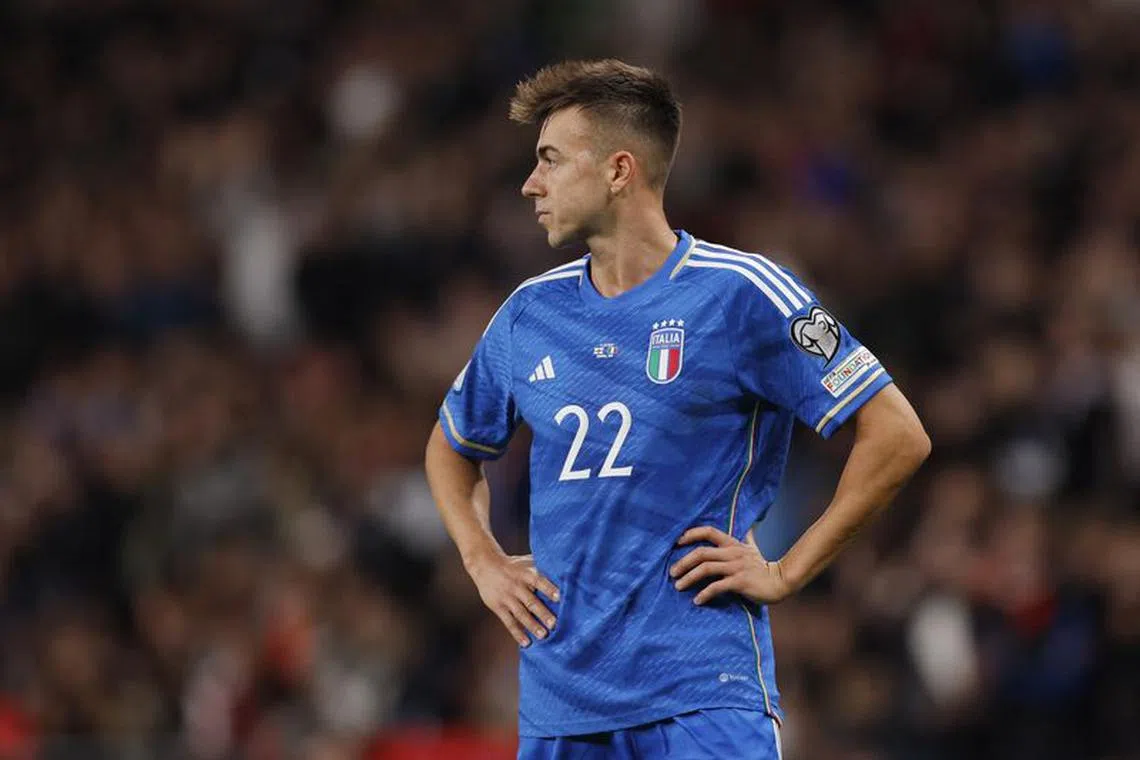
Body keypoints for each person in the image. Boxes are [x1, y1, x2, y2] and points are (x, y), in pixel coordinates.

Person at [424, 59, 931, 759]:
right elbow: (452, 447)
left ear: (618, 170)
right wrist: (482, 560)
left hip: (701, 691)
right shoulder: (527, 316)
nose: (529, 184)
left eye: (549, 159)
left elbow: (897, 433)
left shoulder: (743, 293)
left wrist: (787, 570)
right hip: (560, 702)